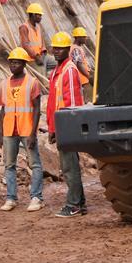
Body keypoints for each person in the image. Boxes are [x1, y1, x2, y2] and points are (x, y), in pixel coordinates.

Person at [0, 47, 44, 212]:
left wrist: (33, 133)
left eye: (17, 62)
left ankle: (36, 197)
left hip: (26, 129)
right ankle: (11, 198)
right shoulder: (4, 84)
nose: (13, 65)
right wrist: (0, 134)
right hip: (10, 130)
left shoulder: (32, 82)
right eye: (11, 62)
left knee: (35, 164)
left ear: (24, 64)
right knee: (9, 165)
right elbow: (3, 110)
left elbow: (38, 109)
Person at [46, 32, 86, 218]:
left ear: (68, 50)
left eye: (60, 48)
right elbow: (53, 102)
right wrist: (52, 128)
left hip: (67, 125)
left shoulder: (69, 70)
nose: (56, 51)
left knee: (70, 166)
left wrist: (65, 128)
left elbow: (70, 103)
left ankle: (73, 204)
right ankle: (79, 203)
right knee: (69, 165)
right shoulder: (57, 71)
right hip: (60, 125)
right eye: (55, 48)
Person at [70, 27, 95, 103]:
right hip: (83, 79)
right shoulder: (76, 49)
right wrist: (88, 76)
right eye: (83, 37)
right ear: (77, 37)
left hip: (84, 78)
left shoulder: (77, 48)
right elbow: (79, 64)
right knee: (89, 101)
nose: (85, 38)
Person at [19, 3, 47, 69]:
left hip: (40, 56)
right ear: (34, 15)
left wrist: (43, 51)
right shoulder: (24, 27)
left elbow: (42, 42)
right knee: (42, 73)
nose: (41, 17)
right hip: (31, 59)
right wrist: (36, 57)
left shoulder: (38, 26)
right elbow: (26, 45)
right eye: (39, 15)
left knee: (57, 62)